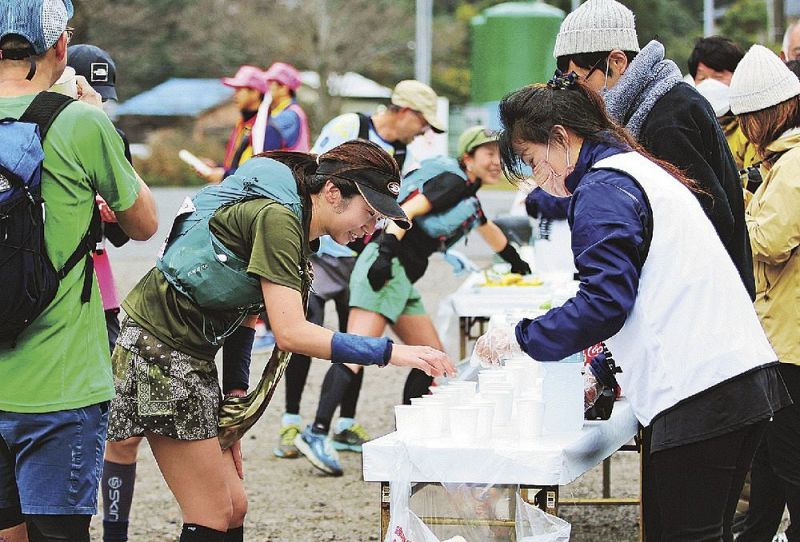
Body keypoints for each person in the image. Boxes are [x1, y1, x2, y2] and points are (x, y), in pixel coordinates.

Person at [473, 75, 789, 542]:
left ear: (561, 139)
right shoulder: (633, 169)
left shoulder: (603, 187)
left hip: (700, 389)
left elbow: (604, 303)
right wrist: (603, 365)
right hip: (738, 376)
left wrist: (521, 337)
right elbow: (652, 292)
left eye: (535, 161)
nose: (539, 177)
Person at [106, 141, 454, 541]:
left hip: (189, 356)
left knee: (235, 506)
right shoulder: (279, 218)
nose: (370, 229)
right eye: (369, 213)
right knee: (213, 512)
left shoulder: (298, 222)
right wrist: (392, 351)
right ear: (333, 193)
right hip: (158, 353)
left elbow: (247, 311)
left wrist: (235, 396)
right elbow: (291, 333)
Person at [0, 1, 158, 540]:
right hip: (61, 383)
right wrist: (101, 121)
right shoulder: (82, 122)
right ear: (61, 47)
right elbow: (143, 223)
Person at [295, 126, 531, 476]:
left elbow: (489, 231)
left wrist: (517, 262)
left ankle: (411, 436)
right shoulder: (452, 182)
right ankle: (315, 434)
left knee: (431, 356)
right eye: (488, 154)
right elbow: (407, 209)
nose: (496, 161)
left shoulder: (468, 196)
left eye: (500, 154)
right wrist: (386, 253)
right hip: (385, 270)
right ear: (468, 157)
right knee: (356, 351)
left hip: (403, 281)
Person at [273, 80, 446, 459]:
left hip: (358, 252)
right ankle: (291, 421)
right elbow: (316, 177)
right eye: (423, 123)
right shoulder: (350, 126)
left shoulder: (405, 155)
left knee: (355, 335)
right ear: (405, 112)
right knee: (305, 328)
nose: (423, 132)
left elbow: (401, 210)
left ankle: (345, 423)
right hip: (319, 248)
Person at [553, 0, 755, 302]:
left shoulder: (668, 117)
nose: (580, 94)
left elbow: (709, 218)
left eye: (579, 80)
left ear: (617, 61)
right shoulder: (649, 105)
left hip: (704, 303)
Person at [67, 42, 143, 542]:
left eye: (101, 91)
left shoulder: (111, 135)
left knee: (109, 414)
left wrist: (109, 215)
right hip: (49, 284)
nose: (96, 98)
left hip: (100, 286)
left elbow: (124, 233)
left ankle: (111, 528)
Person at [729, 45, 800, 542]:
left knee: (788, 460)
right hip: (782, 335)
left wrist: (737, 222)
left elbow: (771, 241)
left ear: (767, 114)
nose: (745, 132)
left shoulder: (794, 164)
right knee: (772, 461)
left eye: (747, 119)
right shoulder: (782, 162)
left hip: (790, 341)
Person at [194, 65, 268, 184]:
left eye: (239, 90)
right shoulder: (243, 124)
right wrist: (216, 167)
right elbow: (238, 165)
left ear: (255, 92)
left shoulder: (265, 129)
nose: (235, 95)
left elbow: (262, 175)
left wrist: (224, 175)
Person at [251, 61, 310, 154]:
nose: (267, 88)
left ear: (283, 88)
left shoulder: (289, 115)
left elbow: (269, 141)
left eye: (270, 84)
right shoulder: (281, 111)